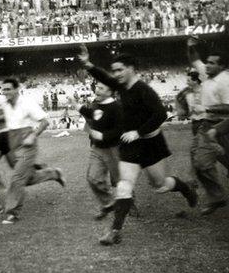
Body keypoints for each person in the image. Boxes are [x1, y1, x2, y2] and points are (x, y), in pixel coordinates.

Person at [78, 44, 198, 245]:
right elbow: (105, 78)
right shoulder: (121, 86)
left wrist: (138, 132)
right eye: (114, 70)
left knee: (159, 185)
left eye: (119, 70)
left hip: (150, 142)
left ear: (131, 68)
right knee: (124, 185)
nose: (115, 74)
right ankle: (115, 231)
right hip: (130, 144)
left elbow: (160, 114)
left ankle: (185, 188)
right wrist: (88, 64)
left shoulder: (144, 89)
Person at [0, 77, 65, 224]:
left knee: (17, 177)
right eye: (3, 89)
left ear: (16, 89)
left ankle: (13, 212)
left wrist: (33, 135)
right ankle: (54, 173)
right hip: (12, 141)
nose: (5, 92)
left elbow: (45, 121)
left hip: (27, 144)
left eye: (8, 89)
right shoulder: (4, 101)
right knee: (27, 178)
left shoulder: (27, 102)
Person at [187, 39, 229, 215]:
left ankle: (218, 196)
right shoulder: (206, 74)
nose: (207, 65)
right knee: (199, 161)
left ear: (222, 66)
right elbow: (194, 59)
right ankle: (217, 197)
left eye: (212, 63)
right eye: (207, 62)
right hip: (207, 125)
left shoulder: (225, 81)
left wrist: (206, 108)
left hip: (224, 126)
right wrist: (190, 45)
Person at [78, 82, 123, 220]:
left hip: (114, 148)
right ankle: (109, 203)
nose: (96, 90)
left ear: (110, 92)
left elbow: (120, 130)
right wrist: (78, 107)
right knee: (93, 178)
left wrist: (103, 135)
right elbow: (92, 115)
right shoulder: (96, 103)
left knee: (119, 180)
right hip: (97, 148)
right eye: (96, 87)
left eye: (101, 88)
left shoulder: (117, 107)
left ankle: (128, 204)